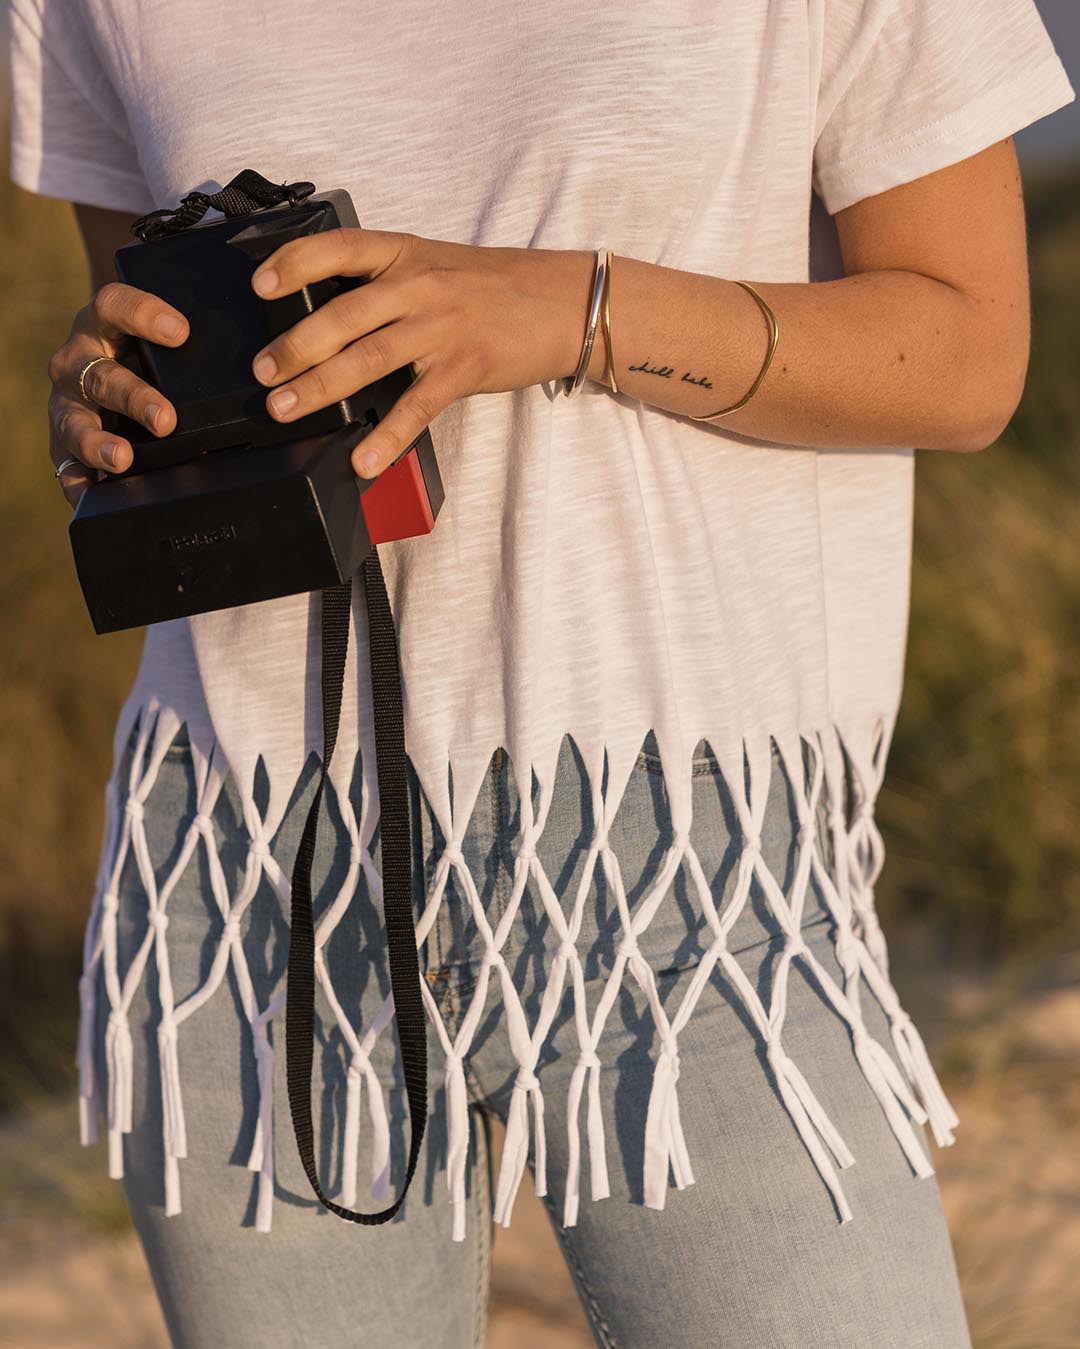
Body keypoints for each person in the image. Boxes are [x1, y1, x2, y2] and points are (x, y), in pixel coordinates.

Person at [7, 0, 1074, 1344]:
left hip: (695, 869)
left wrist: (568, 310)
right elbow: (136, 311)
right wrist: (115, 401)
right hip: (242, 873)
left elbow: (969, 354)